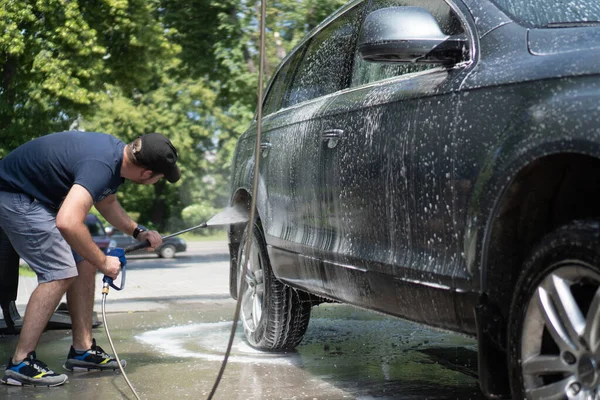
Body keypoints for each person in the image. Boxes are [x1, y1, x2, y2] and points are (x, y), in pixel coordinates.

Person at [0, 131, 181, 386]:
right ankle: (20, 362)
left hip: (36, 199)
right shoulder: (101, 166)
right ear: (146, 174)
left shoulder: (116, 160)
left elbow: (106, 203)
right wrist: (104, 262)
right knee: (61, 272)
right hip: (15, 196)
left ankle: (82, 350)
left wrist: (138, 232)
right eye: (160, 177)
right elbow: (67, 221)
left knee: (83, 262)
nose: (158, 181)